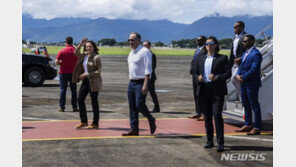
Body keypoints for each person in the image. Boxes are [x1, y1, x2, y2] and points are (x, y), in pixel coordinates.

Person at [196, 36, 231, 152]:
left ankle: (220, 142)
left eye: (211, 43)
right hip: (204, 89)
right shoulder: (201, 58)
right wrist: (198, 77)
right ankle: (209, 141)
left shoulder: (222, 58)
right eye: (207, 43)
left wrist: (216, 77)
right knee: (207, 116)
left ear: (215, 45)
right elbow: (195, 73)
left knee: (216, 114)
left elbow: (228, 73)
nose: (208, 45)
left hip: (217, 90)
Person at [122, 32, 157, 136]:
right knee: (132, 106)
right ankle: (134, 129)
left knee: (139, 104)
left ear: (138, 40)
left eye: (132, 40)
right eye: (129, 40)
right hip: (131, 82)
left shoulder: (145, 52)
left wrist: (145, 84)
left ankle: (150, 119)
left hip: (141, 82)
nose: (130, 42)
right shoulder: (131, 53)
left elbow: (148, 69)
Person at [235, 35, 263, 135]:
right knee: (245, 104)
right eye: (243, 42)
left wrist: (243, 77)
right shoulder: (245, 53)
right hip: (243, 83)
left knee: (254, 105)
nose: (243, 43)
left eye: (245, 42)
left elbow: (254, 69)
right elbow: (241, 66)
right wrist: (238, 74)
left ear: (252, 41)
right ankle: (247, 124)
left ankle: (257, 127)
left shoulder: (256, 54)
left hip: (251, 83)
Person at [72, 38, 103, 129]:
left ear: (93, 48)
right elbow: (75, 53)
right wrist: (80, 44)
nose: (88, 48)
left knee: (94, 102)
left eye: (90, 46)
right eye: (87, 47)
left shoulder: (96, 57)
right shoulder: (84, 55)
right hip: (86, 81)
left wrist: (87, 74)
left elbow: (99, 71)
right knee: (80, 99)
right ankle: (84, 121)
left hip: (94, 81)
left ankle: (95, 123)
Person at [55, 37, 79, 112]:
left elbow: (56, 62)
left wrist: (62, 62)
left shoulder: (62, 51)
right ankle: (74, 106)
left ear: (66, 42)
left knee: (63, 90)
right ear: (72, 42)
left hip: (63, 73)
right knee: (74, 90)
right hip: (73, 73)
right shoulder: (75, 51)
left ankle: (62, 107)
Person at [188, 36, 206, 120]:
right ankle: (198, 112)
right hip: (194, 75)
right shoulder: (197, 50)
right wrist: (191, 69)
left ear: (204, 41)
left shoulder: (205, 51)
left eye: (198, 40)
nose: (197, 42)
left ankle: (204, 113)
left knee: (201, 94)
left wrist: (201, 74)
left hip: (200, 76)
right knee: (196, 94)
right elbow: (193, 61)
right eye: (196, 40)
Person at [229, 21, 248, 101]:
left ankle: (243, 96)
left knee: (234, 78)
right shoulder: (235, 38)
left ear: (242, 27)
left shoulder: (246, 36)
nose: (234, 29)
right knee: (233, 79)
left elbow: (249, 50)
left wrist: (241, 58)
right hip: (235, 63)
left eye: (236, 27)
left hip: (242, 62)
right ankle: (242, 96)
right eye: (234, 27)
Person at [143, 41, 160, 113]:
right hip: (143, 76)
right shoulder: (142, 55)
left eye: (145, 45)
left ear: (149, 46)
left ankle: (157, 107)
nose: (144, 47)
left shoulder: (152, 54)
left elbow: (153, 66)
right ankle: (142, 107)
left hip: (150, 77)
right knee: (143, 93)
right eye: (143, 45)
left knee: (152, 93)